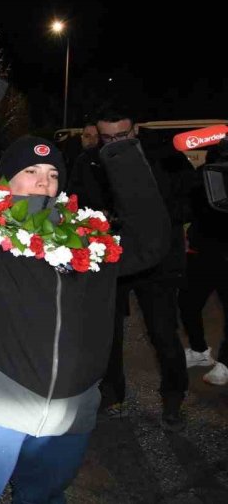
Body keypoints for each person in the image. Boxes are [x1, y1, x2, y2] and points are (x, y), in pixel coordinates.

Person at [0, 127, 169, 503]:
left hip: (68, 416)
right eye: (32, 172)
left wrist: (122, 156)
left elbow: (150, 245)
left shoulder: (87, 241)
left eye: (53, 174)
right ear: (6, 181)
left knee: (44, 498)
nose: (44, 182)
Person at [69, 109, 192, 428]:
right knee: (107, 333)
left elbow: (188, 201)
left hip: (158, 261)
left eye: (122, 136)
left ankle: (173, 396)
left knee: (163, 331)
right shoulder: (88, 162)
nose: (114, 143)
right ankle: (111, 392)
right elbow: (77, 205)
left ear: (136, 129)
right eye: (107, 137)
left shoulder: (165, 157)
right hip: (113, 259)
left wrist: (151, 216)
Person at [180, 143, 228, 385]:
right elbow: (189, 209)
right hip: (202, 251)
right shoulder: (204, 176)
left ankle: (226, 365)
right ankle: (199, 351)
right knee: (187, 302)